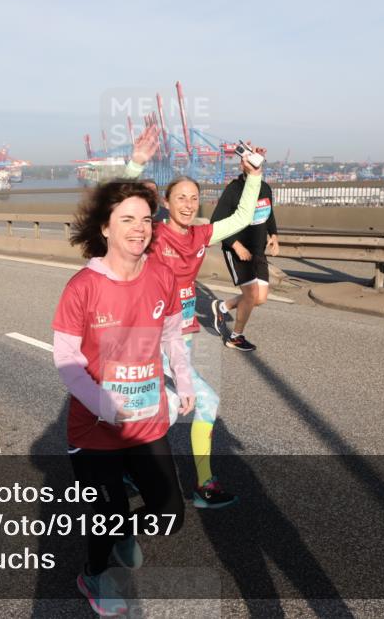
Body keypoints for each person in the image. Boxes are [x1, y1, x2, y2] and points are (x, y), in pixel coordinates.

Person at [52, 180, 193, 616]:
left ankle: (120, 528)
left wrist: (184, 381)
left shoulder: (162, 275)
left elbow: (172, 336)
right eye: (127, 219)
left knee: (170, 514)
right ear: (105, 228)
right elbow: (66, 360)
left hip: (147, 421)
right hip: (95, 429)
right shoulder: (83, 286)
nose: (139, 229)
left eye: (146, 219)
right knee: (104, 516)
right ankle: (93, 575)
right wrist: (104, 406)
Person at [124, 124, 264, 508]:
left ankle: (128, 466)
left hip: (181, 336)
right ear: (166, 203)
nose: (188, 204)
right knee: (200, 402)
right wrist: (135, 165)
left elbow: (241, 218)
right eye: (181, 198)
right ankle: (202, 484)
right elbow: (120, 208)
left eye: (194, 198)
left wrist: (254, 176)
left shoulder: (200, 236)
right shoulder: (152, 234)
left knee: (166, 408)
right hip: (151, 337)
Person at [210, 153, 279, 352]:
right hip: (237, 250)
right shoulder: (233, 189)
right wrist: (236, 245)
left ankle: (222, 307)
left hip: (258, 250)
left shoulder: (265, 188)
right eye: (246, 161)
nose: (249, 164)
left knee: (261, 297)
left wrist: (274, 235)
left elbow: (269, 213)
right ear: (242, 165)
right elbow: (216, 222)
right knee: (251, 295)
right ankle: (235, 337)